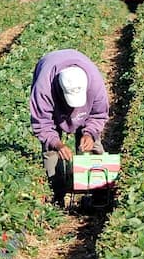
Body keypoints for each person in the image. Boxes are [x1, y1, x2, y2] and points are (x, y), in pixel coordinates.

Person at [29, 49, 110, 205]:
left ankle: (99, 194)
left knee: (93, 146)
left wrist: (89, 133)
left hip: (83, 73)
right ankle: (56, 195)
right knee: (51, 152)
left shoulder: (95, 84)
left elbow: (98, 115)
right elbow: (42, 123)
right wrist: (57, 143)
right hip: (49, 67)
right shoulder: (44, 88)